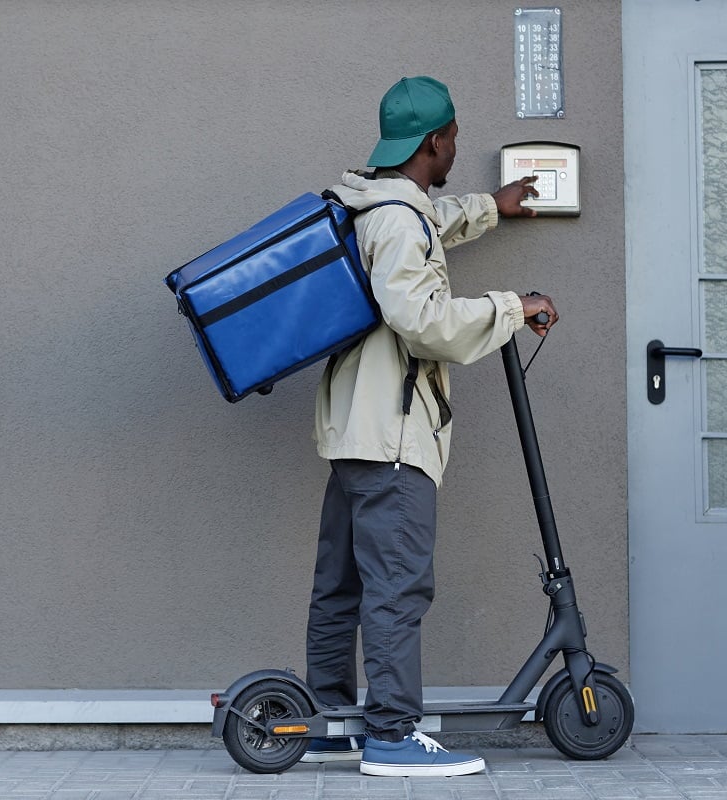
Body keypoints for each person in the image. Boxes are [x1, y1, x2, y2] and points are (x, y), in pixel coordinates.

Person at [300, 76, 558, 778]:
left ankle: (332, 721)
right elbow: (420, 322)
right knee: (396, 587)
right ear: (434, 142)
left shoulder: (374, 204)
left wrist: (491, 209)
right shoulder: (394, 220)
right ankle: (389, 734)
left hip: (357, 432)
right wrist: (512, 306)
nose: (454, 149)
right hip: (394, 437)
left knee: (344, 585)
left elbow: (426, 225)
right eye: (452, 139)